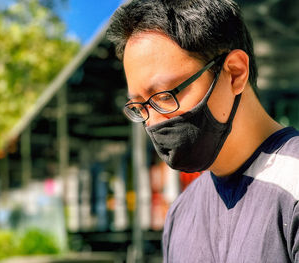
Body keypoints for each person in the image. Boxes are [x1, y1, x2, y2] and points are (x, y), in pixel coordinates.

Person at [107, 0, 299, 262]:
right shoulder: (181, 214)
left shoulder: (292, 187)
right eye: (140, 107)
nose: (152, 122)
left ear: (234, 73)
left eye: (164, 96)